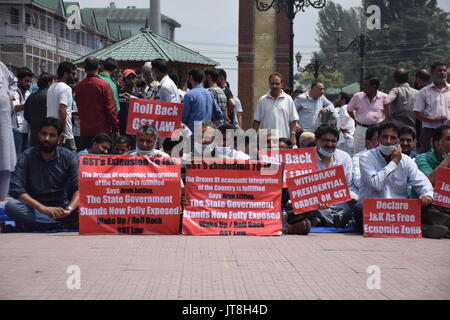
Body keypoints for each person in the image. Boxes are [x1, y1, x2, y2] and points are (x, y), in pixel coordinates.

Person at [354, 122, 434, 236]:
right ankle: (420, 228)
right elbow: (376, 184)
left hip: (399, 210)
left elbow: (422, 182)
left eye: (393, 138)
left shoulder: (406, 161)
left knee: (426, 202)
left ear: (398, 141)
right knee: (359, 207)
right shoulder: (365, 158)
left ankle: (417, 226)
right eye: (385, 137)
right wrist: (394, 162)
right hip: (375, 210)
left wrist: (426, 195)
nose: (388, 141)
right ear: (379, 139)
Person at [5, 117, 79, 231]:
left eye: (52, 135)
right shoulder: (27, 156)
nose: (46, 138)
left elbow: (78, 188)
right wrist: (42, 208)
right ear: (39, 135)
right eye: (44, 134)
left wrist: (69, 209)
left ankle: (38, 224)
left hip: (62, 209)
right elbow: (16, 188)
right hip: (35, 208)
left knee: (88, 207)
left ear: (60, 138)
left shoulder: (68, 157)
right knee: (12, 207)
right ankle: (60, 225)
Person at [288, 125, 358, 230]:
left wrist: (352, 198)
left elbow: (349, 185)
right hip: (315, 206)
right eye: (325, 140)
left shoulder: (345, 157)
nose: (329, 144)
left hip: (341, 207)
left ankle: (322, 221)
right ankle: (331, 220)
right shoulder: (305, 158)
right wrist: (316, 200)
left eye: (333, 141)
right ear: (316, 141)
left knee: (358, 206)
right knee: (293, 205)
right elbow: (300, 189)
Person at [75, 57, 119, 151]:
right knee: (102, 162)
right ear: (99, 67)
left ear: (85, 69)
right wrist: (116, 128)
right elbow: (111, 110)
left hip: (85, 131)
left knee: (85, 162)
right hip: (102, 132)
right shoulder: (104, 85)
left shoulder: (79, 86)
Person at [415, 125, 450, 238]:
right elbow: (429, 181)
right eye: (449, 139)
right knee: (429, 210)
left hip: (446, 206)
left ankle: (439, 230)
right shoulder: (422, 159)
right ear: (436, 143)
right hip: (428, 204)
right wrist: (448, 159)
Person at [253, 73, 299, 145]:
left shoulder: (288, 99)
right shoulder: (263, 100)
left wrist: (293, 135)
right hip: (266, 141)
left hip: (283, 140)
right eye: (272, 83)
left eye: (277, 84)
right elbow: (257, 121)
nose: (274, 86)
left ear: (282, 84)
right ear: (269, 84)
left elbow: (293, 120)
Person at [413, 62, 449, 153]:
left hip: (449, 130)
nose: (443, 73)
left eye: (444, 70)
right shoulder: (424, 92)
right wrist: (433, 119)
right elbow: (417, 114)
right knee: (429, 156)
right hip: (430, 131)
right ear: (432, 73)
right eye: (439, 70)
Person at [347, 74, 388, 154]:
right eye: (363, 84)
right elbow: (349, 109)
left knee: (378, 152)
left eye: (366, 85)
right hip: (361, 129)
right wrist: (356, 119)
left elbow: (388, 113)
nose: (363, 87)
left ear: (374, 86)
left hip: (377, 130)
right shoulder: (358, 96)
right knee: (358, 152)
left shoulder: (384, 97)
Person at [182, 68, 223, 137]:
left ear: (191, 78)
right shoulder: (209, 94)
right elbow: (219, 114)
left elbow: (184, 118)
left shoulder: (189, 95)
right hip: (207, 134)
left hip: (193, 134)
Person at [46, 61, 77, 152]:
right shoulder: (66, 88)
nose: (74, 76)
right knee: (72, 158)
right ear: (65, 74)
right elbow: (62, 110)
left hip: (52, 131)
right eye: (73, 73)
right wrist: (62, 132)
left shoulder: (51, 88)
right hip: (64, 134)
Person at [0, 61, 18, 201]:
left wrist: (10, 96)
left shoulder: (1, 65)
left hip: (4, 121)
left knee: (6, 161)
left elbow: (13, 82)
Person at [24, 72, 54, 147]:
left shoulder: (30, 97)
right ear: (49, 83)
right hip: (48, 135)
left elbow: (26, 115)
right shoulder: (51, 96)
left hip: (34, 134)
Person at [11, 67, 33, 156]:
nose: (28, 84)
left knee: (23, 156)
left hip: (26, 130)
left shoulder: (28, 93)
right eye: (26, 81)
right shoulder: (14, 92)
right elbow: (15, 108)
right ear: (19, 80)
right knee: (17, 156)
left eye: (30, 82)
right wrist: (30, 104)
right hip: (16, 130)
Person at [352, 125, 379, 190]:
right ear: (368, 143)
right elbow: (358, 182)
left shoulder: (390, 156)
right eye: (378, 140)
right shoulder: (358, 158)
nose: (383, 143)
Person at [414, 69, 431, 150]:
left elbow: (419, 114)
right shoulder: (434, 92)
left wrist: (421, 133)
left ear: (418, 79)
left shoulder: (418, 93)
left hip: (421, 130)